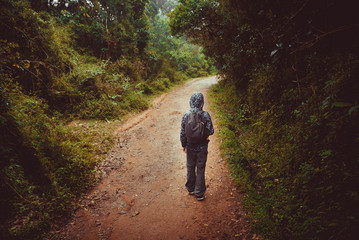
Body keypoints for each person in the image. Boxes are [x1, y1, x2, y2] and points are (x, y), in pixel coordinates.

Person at [180, 92, 214, 201]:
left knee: (190, 167)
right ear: (202, 102)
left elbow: (182, 132)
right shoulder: (205, 115)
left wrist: (183, 144)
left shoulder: (186, 115)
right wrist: (205, 136)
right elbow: (211, 130)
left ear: (191, 101)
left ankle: (190, 188)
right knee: (200, 169)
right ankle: (199, 193)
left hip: (190, 147)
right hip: (202, 147)